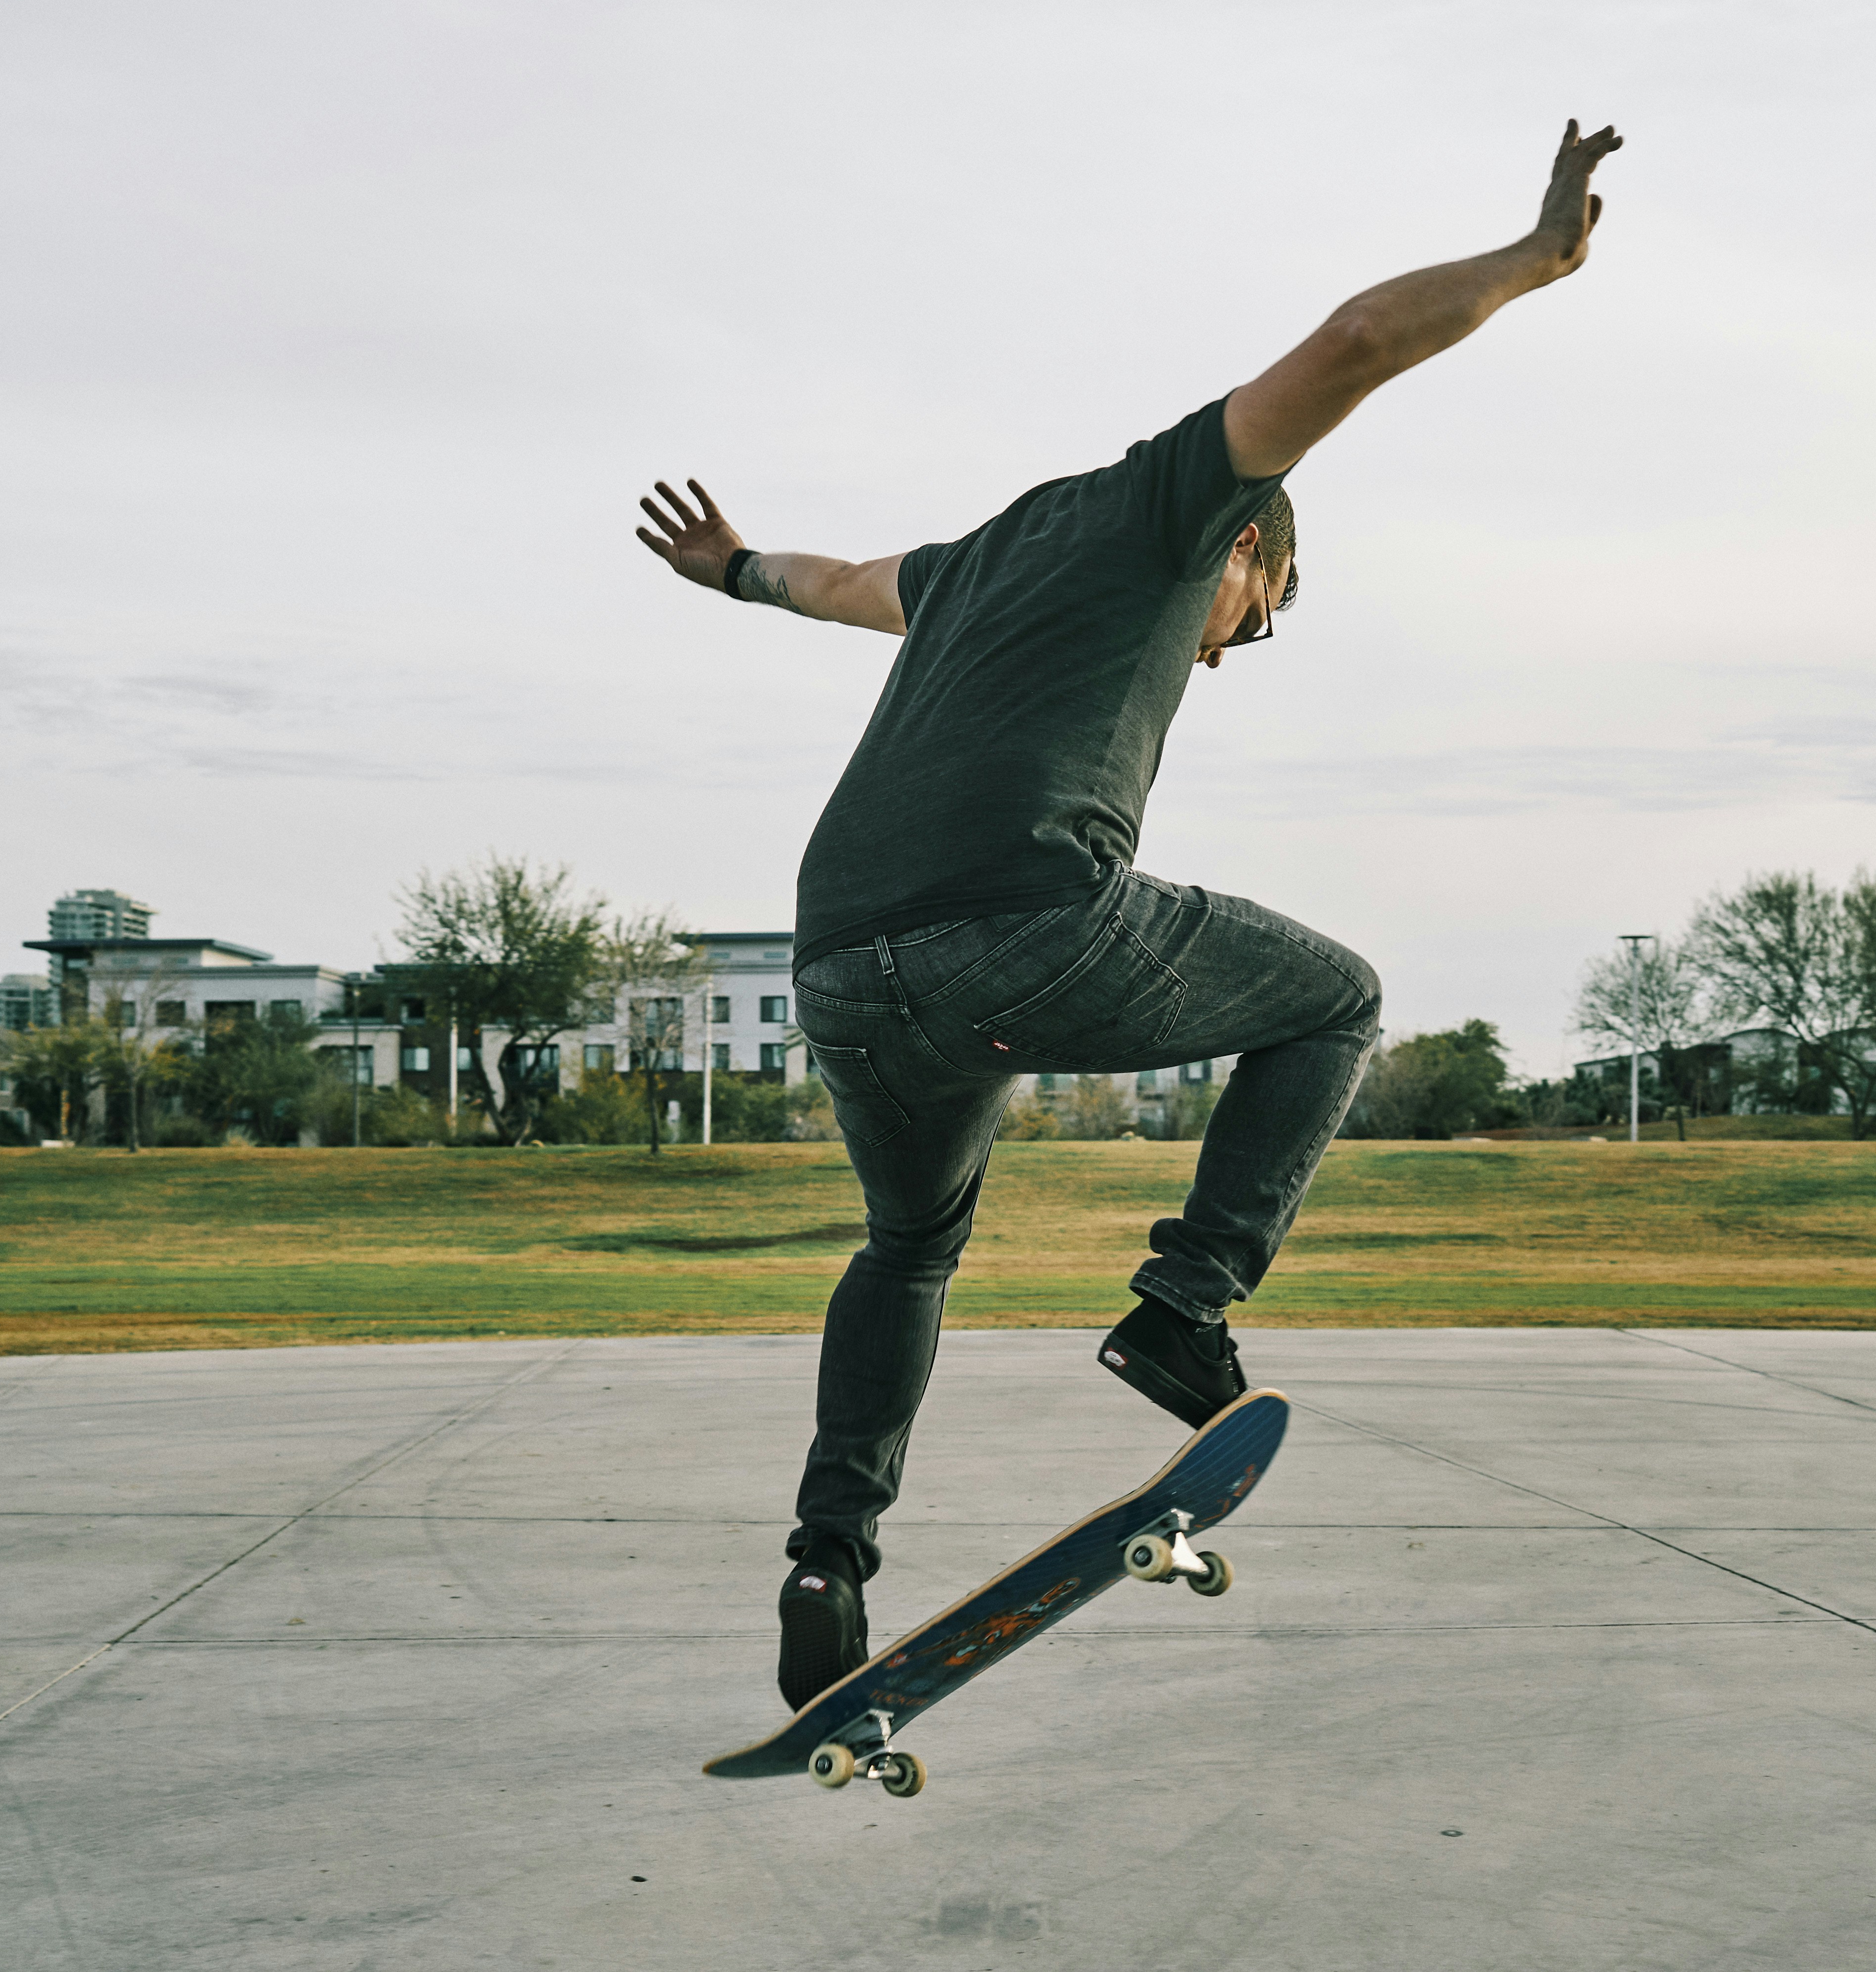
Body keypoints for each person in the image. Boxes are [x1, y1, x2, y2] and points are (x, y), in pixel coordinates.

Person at [638, 117, 1625, 1708]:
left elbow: (828, 585)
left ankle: (828, 1560)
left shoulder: (972, 563)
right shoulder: (1185, 501)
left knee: (906, 1249)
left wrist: (734, 568)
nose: (1228, 652)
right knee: (1338, 997)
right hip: (1021, 925)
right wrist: (1535, 262)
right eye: (1262, 617)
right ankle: (1183, 1312)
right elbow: (1361, 341)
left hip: (841, 970)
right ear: (1250, 553)